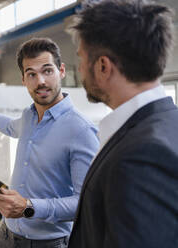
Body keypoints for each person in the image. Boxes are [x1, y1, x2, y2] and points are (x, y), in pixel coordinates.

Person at [0, 38, 99, 248]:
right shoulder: (28, 117)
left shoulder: (81, 130)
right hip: (7, 234)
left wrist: (28, 207)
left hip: (47, 243)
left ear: (61, 71)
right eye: (32, 74)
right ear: (23, 79)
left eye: (47, 71)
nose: (41, 81)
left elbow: (85, 204)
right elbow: (9, 126)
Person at [68, 0, 178, 247]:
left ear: (103, 66)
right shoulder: (168, 123)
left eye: (82, 59)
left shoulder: (141, 156)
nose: (81, 70)